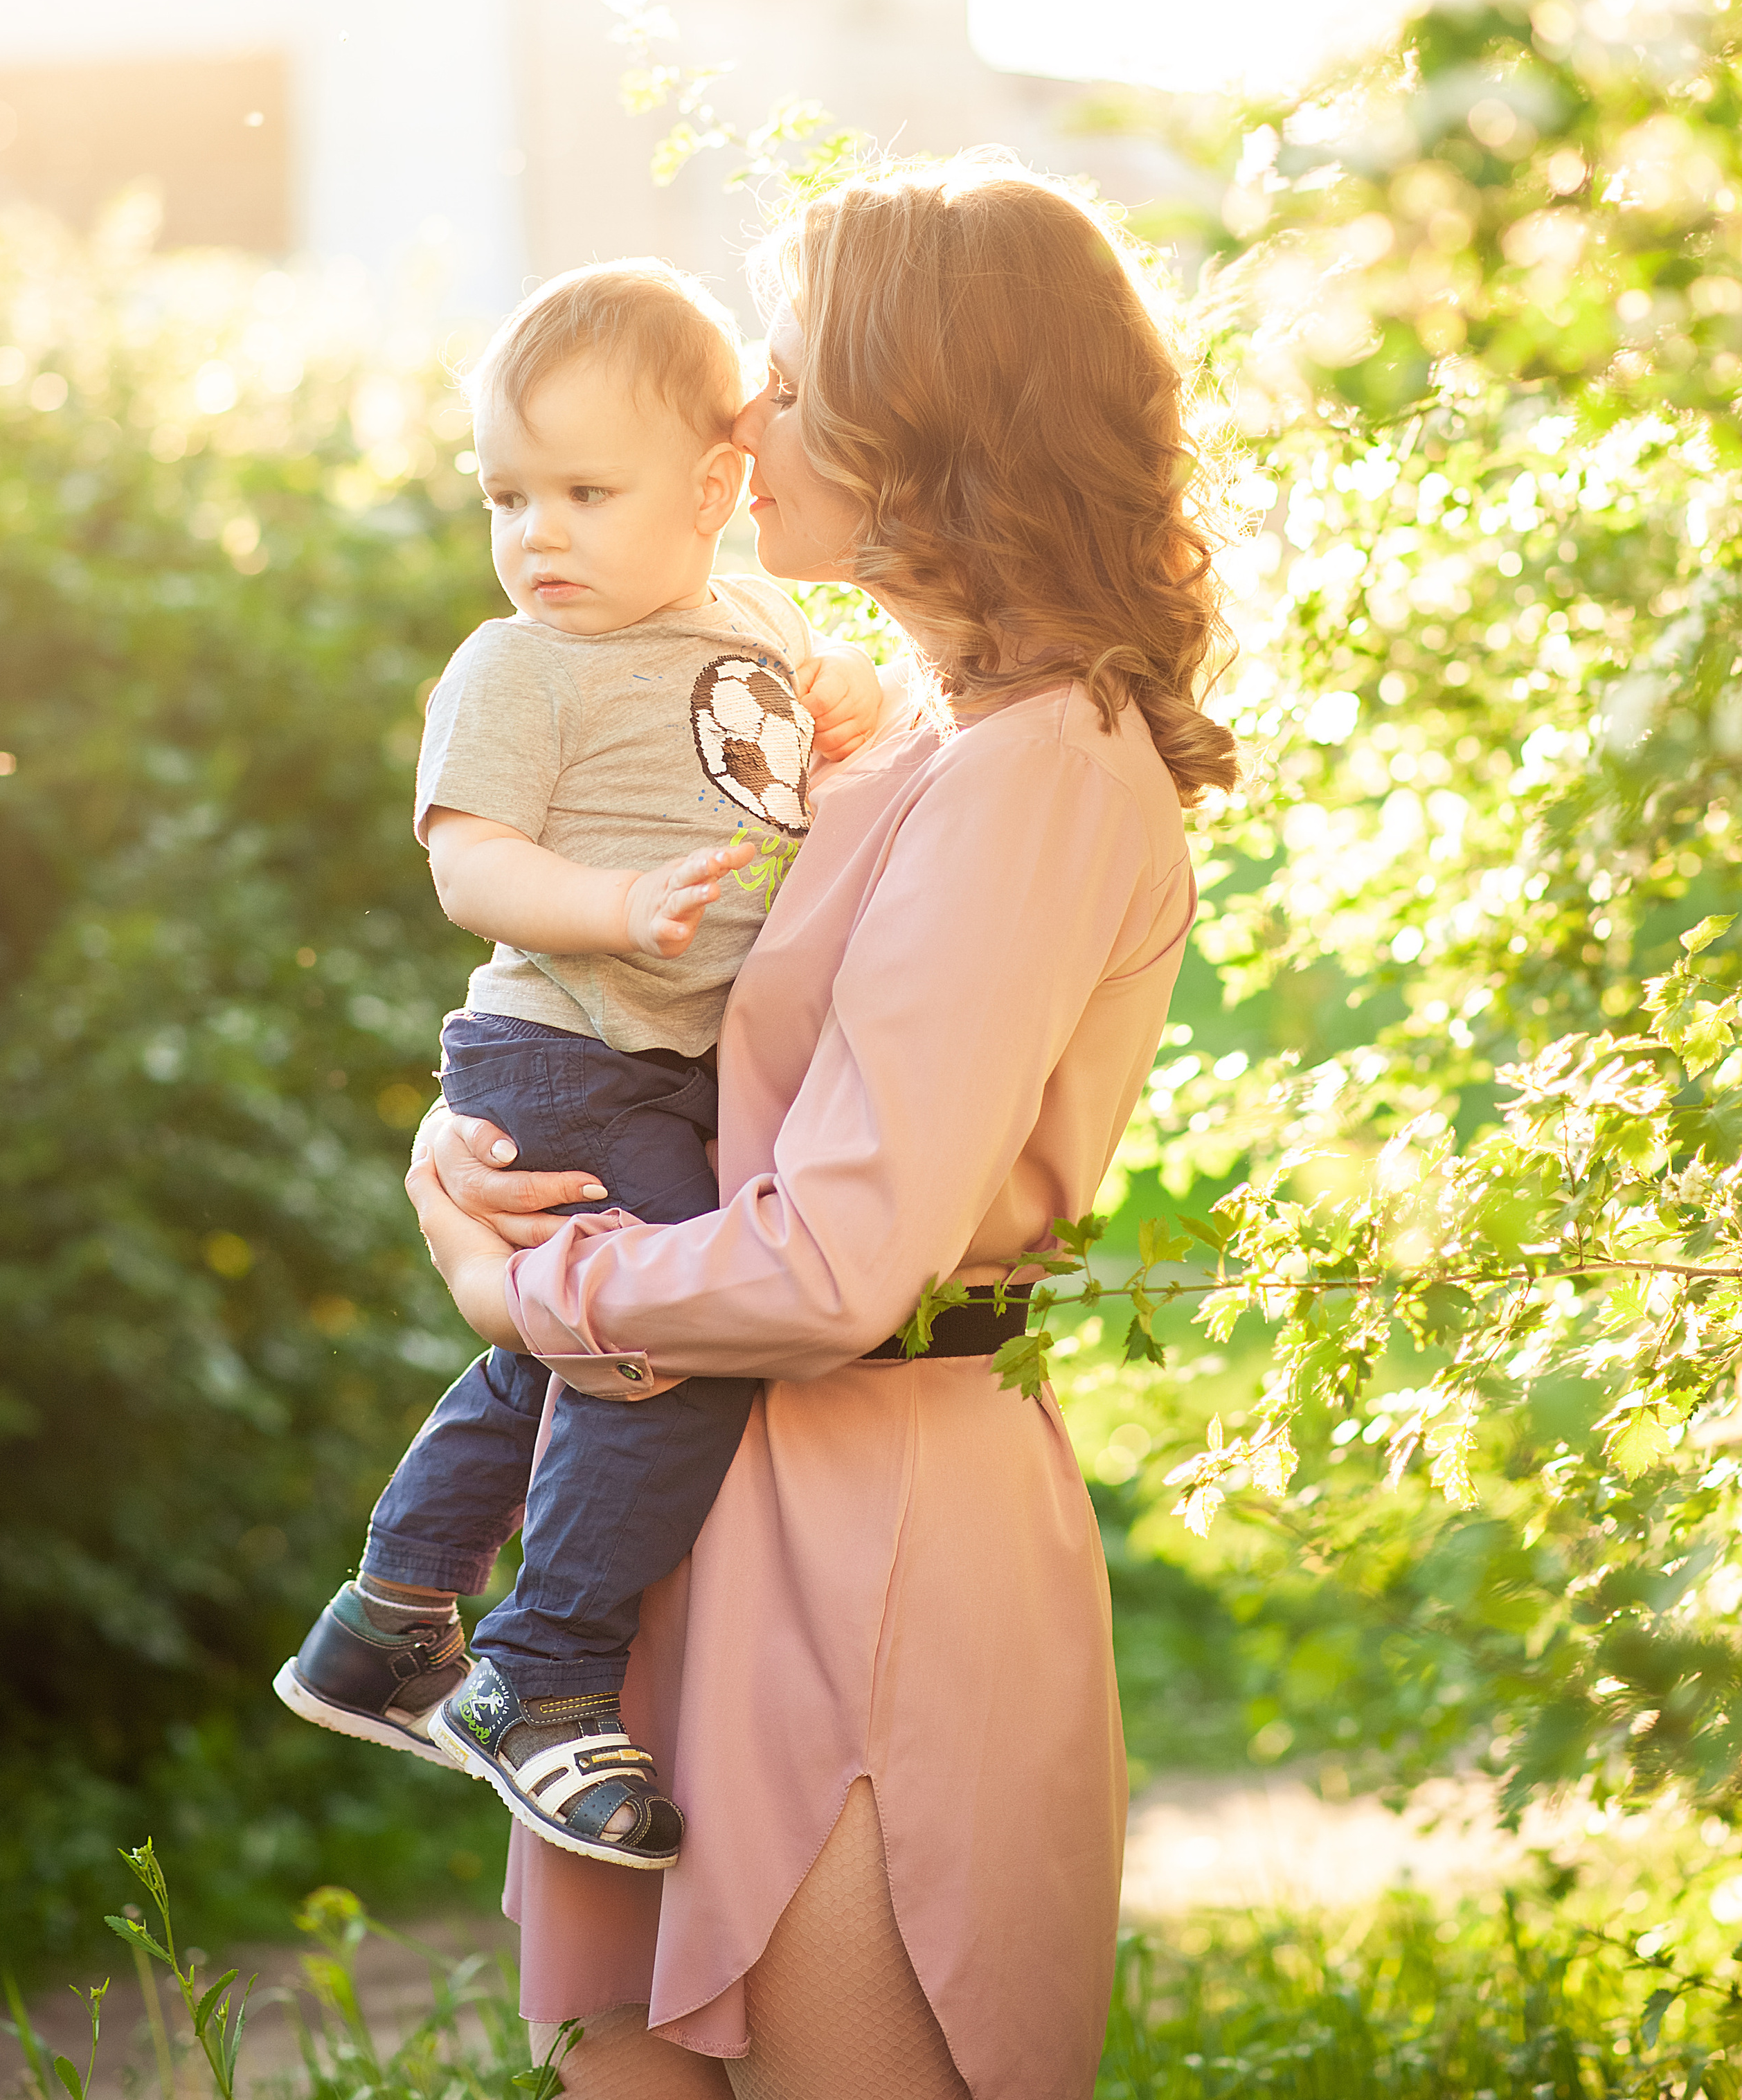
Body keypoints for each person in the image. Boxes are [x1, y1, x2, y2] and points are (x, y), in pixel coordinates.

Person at [408, 155, 1239, 2100]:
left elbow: (848, 1254)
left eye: (788, 369)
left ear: (918, 418)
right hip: (676, 1490)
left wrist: (535, 1285)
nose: (740, 410)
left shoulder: (1045, 771)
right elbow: (656, 1034)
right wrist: (472, 1156)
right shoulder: (895, 735)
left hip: (872, 1531)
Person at [275, 258, 882, 1871]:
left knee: (561, 1352)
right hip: (561, 1051)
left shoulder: (753, 616)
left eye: (583, 491)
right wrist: (609, 907)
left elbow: (818, 741)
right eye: (506, 494)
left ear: (711, 488)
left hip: (661, 1067)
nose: (535, 533)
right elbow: (470, 867)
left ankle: (391, 1617)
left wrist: (853, 697)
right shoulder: (513, 668)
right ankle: (538, 1676)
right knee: (668, 1342)